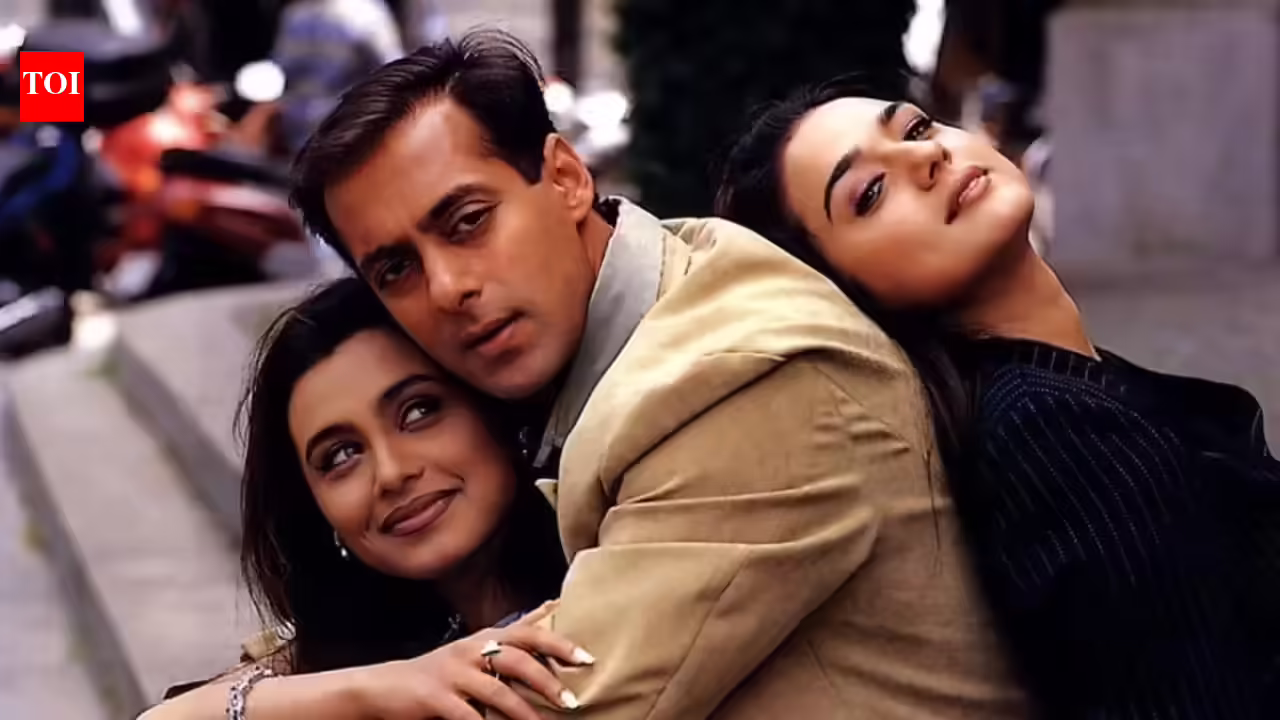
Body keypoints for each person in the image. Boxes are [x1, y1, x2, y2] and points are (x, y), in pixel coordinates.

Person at [290, 29, 1027, 719]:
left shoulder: (735, 379)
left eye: (468, 221)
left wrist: (258, 704)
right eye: (396, 269)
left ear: (567, 178)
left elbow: (559, 704)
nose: (448, 288)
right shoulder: (666, 283)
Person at [715, 80, 1280, 719]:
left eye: (916, 128)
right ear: (842, 291)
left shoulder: (1067, 386)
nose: (925, 157)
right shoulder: (1055, 434)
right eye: (869, 193)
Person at [138, 278, 592, 720]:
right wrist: (374, 688)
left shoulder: (607, 583)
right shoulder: (369, 658)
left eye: (418, 411)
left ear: (493, 405)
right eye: (341, 455)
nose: (391, 474)